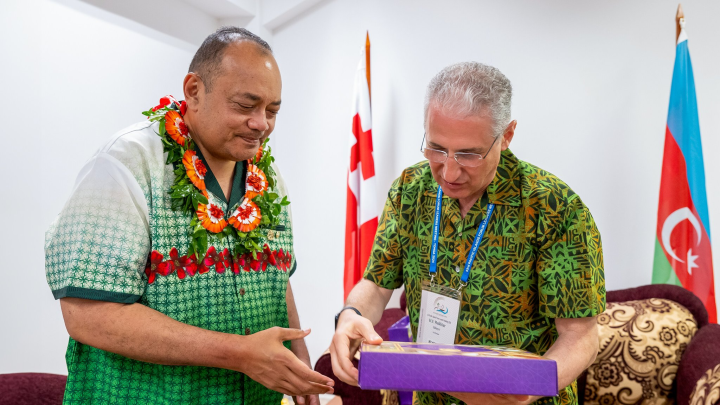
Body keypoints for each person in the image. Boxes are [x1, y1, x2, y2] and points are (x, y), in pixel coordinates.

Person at [45, 27, 333, 405]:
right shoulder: (125, 165)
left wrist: (300, 369)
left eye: (272, 110)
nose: (262, 123)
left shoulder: (268, 176)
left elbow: (279, 276)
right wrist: (239, 353)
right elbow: (87, 315)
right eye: (246, 106)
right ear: (194, 91)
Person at [330, 62, 605, 405]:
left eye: (468, 154)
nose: (448, 171)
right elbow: (375, 283)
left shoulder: (553, 207)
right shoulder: (410, 189)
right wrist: (349, 317)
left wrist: (525, 390)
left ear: (506, 136)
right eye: (436, 148)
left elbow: (581, 337)